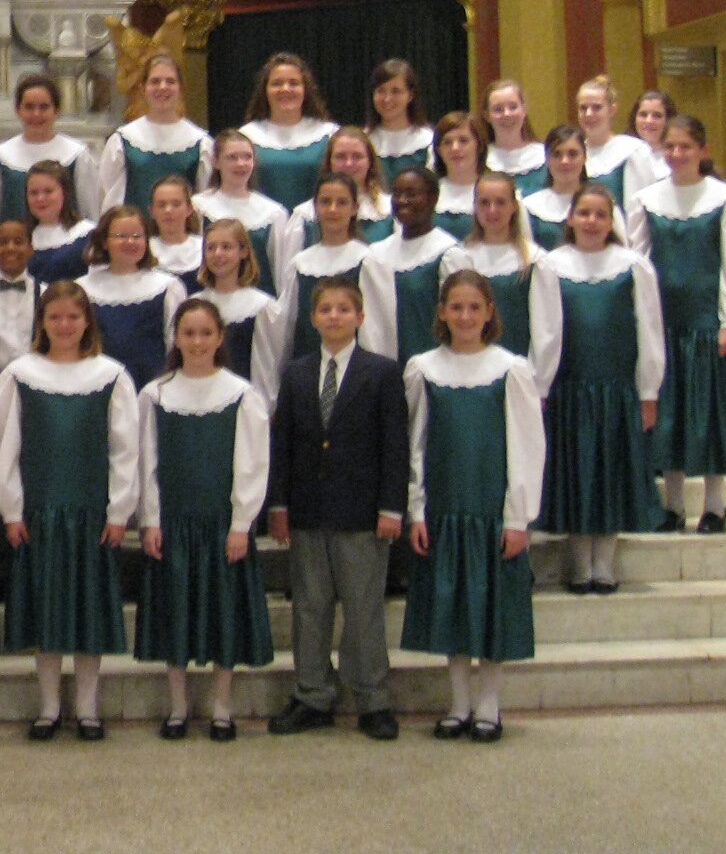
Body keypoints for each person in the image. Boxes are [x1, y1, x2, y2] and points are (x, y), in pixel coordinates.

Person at [403, 271, 543, 744]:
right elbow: (416, 445)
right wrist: (417, 509)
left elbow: (526, 446)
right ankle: (458, 701)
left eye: (474, 308)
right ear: (442, 312)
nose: (465, 316)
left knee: (491, 607)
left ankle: (489, 703)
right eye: (456, 307)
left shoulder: (511, 369)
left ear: (489, 313)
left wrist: (518, 516)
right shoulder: (423, 369)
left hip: (490, 510)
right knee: (453, 606)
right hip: (444, 509)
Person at [267, 275, 408, 742]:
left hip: (362, 512)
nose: (334, 316)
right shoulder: (297, 373)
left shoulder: (382, 372)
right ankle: (312, 695)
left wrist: (392, 507)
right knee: (310, 607)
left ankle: (373, 699)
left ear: (360, 317)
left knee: (364, 609)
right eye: (325, 309)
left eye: (343, 309)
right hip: (308, 509)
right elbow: (283, 443)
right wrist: (279, 503)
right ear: (313, 318)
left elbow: (395, 446)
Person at [0, 281, 137, 742]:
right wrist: (11, 509)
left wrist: (119, 511)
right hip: (40, 514)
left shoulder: (111, 375)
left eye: (73, 317)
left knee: (88, 613)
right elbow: (7, 447)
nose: (64, 325)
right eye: (54, 317)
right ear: (41, 322)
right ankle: (49, 707)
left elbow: (124, 450)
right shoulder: (20, 374)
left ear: (87, 322)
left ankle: (88, 708)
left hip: (91, 514)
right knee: (48, 612)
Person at [135, 298, 274, 743]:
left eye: (205, 333)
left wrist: (241, 524)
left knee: (222, 614)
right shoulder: (154, 395)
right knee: (175, 612)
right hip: (173, 524)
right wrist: (150, 519)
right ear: (176, 338)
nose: (197, 342)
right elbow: (146, 462)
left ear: (220, 338)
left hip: (220, 525)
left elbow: (251, 464)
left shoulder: (242, 395)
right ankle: (178, 706)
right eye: (188, 333)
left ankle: (221, 707)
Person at [530, 185, 666, 594]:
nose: (591, 221)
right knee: (577, 474)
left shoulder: (634, 267)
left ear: (612, 222)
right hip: (570, 391)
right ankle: (579, 563)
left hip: (616, 391)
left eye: (600, 214)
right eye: (584, 213)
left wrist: (648, 390)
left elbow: (649, 330)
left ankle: (604, 563)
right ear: (571, 218)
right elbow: (546, 331)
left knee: (609, 474)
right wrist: (541, 385)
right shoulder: (551, 265)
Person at [627, 115, 726, 535]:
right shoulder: (647, 200)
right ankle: (674, 504)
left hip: (706, 324)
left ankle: (715, 506)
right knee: (668, 416)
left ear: (703, 150)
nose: (677, 154)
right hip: (663, 325)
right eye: (671, 147)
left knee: (709, 415)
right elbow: (638, 262)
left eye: (686, 146)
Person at [260, 173, 382, 405]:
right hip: (308, 370)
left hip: (356, 378)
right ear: (315, 208)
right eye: (326, 202)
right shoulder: (300, 264)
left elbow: (375, 330)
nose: (333, 209)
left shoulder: (367, 260)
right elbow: (287, 327)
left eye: (342, 202)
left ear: (355, 208)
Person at [362, 167, 476, 366]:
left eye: (411, 194)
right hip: (386, 370)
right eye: (397, 194)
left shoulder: (448, 254)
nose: (402, 200)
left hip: (438, 368)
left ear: (433, 198)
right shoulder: (377, 255)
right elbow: (370, 324)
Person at [0, 73, 101, 236]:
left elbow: (90, 213)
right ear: (18, 110)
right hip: (16, 248)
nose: (36, 114)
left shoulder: (77, 155)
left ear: (56, 110)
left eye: (44, 107)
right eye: (29, 107)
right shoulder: (0, 158)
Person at [78, 205, 187, 388]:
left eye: (137, 236)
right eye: (121, 236)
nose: (130, 242)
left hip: (154, 385)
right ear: (104, 242)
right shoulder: (83, 289)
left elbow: (175, 344)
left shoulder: (168, 287)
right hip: (100, 386)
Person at [99, 53, 213, 212]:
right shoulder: (123, 140)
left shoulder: (199, 142)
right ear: (143, 88)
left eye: (170, 81)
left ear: (181, 88)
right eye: (155, 81)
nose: (163, 87)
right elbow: (110, 200)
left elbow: (205, 201)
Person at [190, 218, 282, 407]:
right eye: (211, 248)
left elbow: (266, 368)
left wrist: (261, 408)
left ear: (243, 251)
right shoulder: (193, 304)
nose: (218, 254)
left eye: (226, 247)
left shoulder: (261, 306)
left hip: (243, 404)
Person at [193, 129, 292, 298]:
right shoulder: (198, 207)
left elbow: (280, 273)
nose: (241, 164)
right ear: (216, 162)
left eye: (247, 157)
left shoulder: (274, 213)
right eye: (232, 157)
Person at [239, 53, 339, 213]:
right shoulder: (246, 136)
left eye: (294, 83)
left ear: (305, 90)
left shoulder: (330, 134)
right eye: (277, 84)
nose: (285, 89)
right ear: (265, 91)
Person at [283, 128, 392, 267]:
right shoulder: (304, 216)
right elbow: (288, 272)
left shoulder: (389, 210)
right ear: (329, 162)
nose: (349, 163)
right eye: (340, 157)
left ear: (370, 162)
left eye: (357, 156)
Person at [464, 172, 536, 357]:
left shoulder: (534, 260)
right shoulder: (461, 257)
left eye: (500, 202)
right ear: (474, 206)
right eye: (484, 203)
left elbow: (545, 330)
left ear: (514, 206)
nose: (492, 210)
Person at [577, 75, 659, 209]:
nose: (589, 114)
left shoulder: (632, 150)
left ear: (612, 110)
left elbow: (642, 208)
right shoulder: (574, 153)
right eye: (583, 108)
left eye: (597, 107)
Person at [0, 219, 42, 374]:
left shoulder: (45, 294)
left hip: (35, 380)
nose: (10, 248)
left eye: (18, 242)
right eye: (3, 242)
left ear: (31, 248)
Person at [22, 160, 95, 284]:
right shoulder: (22, 238)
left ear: (65, 193)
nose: (40, 198)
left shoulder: (88, 234)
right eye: (34, 193)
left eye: (48, 191)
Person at [521, 125, 589, 251]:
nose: (564, 161)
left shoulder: (601, 203)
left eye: (572, 154)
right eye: (556, 154)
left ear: (585, 157)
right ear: (547, 159)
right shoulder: (529, 207)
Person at [366, 59, 434, 183]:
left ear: (410, 95)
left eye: (395, 91)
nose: (387, 99)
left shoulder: (428, 141)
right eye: (381, 91)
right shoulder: (364, 141)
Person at [431, 110, 489, 240]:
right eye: (447, 142)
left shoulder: (498, 191)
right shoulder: (427, 193)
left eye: (463, 140)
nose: (455, 148)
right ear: (439, 150)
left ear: (479, 145)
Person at [482, 78, 546, 195]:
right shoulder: (479, 160)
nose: (506, 114)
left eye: (513, 107)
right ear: (487, 115)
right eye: (498, 109)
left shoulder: (545, 157)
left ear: (524, 110)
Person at [146, 176, 205, 287]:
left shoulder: (203, 248)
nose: (168, 210)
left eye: (176, 204)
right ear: (152, 211)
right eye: (161, 205)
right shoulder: (145, 250)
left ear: (189, 209)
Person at [630, 88, 678, 182]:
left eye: (657, 115)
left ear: (669, 120)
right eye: (643, 115)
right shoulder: (624, 155)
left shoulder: (678, 157)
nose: (649, 121)